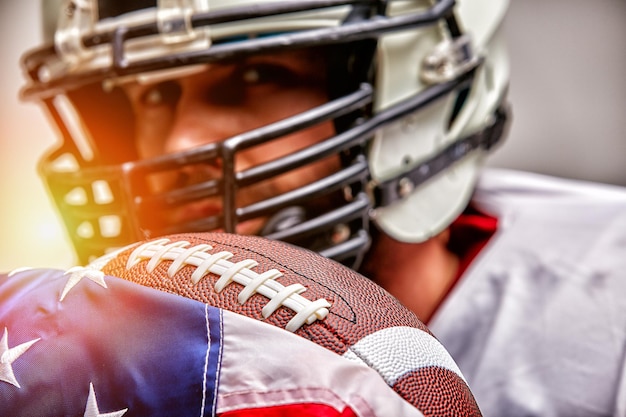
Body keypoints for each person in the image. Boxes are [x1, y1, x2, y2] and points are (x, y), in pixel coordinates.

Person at [13, 0, 626, 415]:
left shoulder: (607, 313)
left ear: (415, 95)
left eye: (256, 75)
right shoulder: (112, 352)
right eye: (156, 94)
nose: (181, 142)